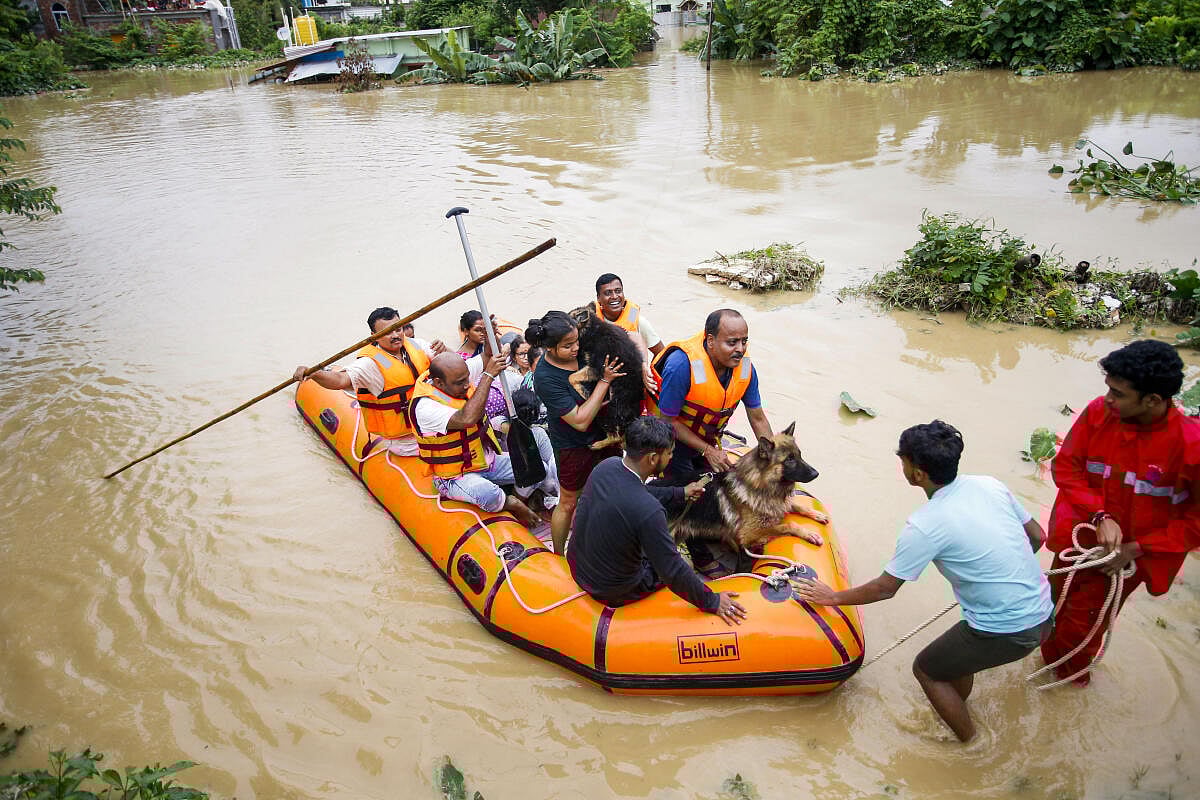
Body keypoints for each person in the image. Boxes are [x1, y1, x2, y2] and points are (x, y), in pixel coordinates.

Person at [795, 421, 1053, 743]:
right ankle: (959, 705)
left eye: (903, 460)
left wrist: (831, 597)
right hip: (1044, 615)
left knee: (927, 670)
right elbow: (1037, 536)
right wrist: (1000, 574)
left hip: (1008, 630)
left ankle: (971, 744)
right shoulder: (989, 485)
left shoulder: (925, 525)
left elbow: (885, 588)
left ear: (917, 474)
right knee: (955, 660)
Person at [1040, 339, 1200, 685]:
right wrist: (1100, 515)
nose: (1108, 398)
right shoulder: (1100, 413)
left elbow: (1196, 523)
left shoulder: (1190, 445)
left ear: (1153, 400)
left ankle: (1066, 689)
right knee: (1050, 607)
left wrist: (1136, 548)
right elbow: (1067, 467)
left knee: (1081, 630)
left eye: (1118, 393)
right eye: (1108, 389)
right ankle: (1047, 670)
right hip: (1080, 538)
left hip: (1124, 561)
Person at [568, 416, 747, 623]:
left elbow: (639, 490)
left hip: (578, 569)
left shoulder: (607, 466)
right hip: (613, 590)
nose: (671, 457)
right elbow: (672, 570)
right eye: (670, 453)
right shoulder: (650, 512)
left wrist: (680, 492)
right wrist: (713, 601)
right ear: (653, 458)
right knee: (684, 565)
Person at [650, 308, 773, 574]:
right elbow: (666, 421)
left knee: (716, 487)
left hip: (708, 435)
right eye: (732, 342)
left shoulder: (746, 369)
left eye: (744, 341)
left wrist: (773, 458)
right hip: (672, 441)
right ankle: (701, 559)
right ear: (710, 341)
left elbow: (758, 417)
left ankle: (718, 533)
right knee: (690, 496)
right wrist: (707, 451)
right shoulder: (682, 366)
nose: (739, 349)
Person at [408, 350, 553, 528]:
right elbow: (467, 419)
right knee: (489, 494)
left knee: (538, 470)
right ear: (438, 383)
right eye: (460, 383)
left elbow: (488, 355)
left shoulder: (457, 375)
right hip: (454, 476)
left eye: (467, 379)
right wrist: (488, 375)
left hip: (485, 461)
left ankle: (517, 499)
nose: (466, 385)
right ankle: (511, 504)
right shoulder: (425, 407)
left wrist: (489, 331)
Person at [526, 310, 626, 556]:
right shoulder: (546, 378)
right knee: (569, 501)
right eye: (567, 346)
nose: (575, 348)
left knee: (614, 491)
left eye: (577, 341)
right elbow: (580, 421)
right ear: (549, 348)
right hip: (573, 443)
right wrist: (604, 381)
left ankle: (612, 542)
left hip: (606, 434)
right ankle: (558, 554)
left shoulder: (584, 349)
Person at [293, 307, 447, 455]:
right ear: (374, 335)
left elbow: (452, 367)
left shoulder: (416, 344)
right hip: (407, 442)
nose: (395, 335)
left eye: (398, 329)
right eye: (387, 332)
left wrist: (444, 349)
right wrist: (314, 374)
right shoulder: (369, 364)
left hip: (430, 424)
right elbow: (340, 380)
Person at [594, 273, 664, 392]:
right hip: (600, 384)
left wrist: (648, 374)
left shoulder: (639, 322)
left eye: (618, 291)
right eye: (607, 293)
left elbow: (661, 353)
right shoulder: (591, 322)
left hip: (631, 387)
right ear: (598, 298)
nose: (614, 296)